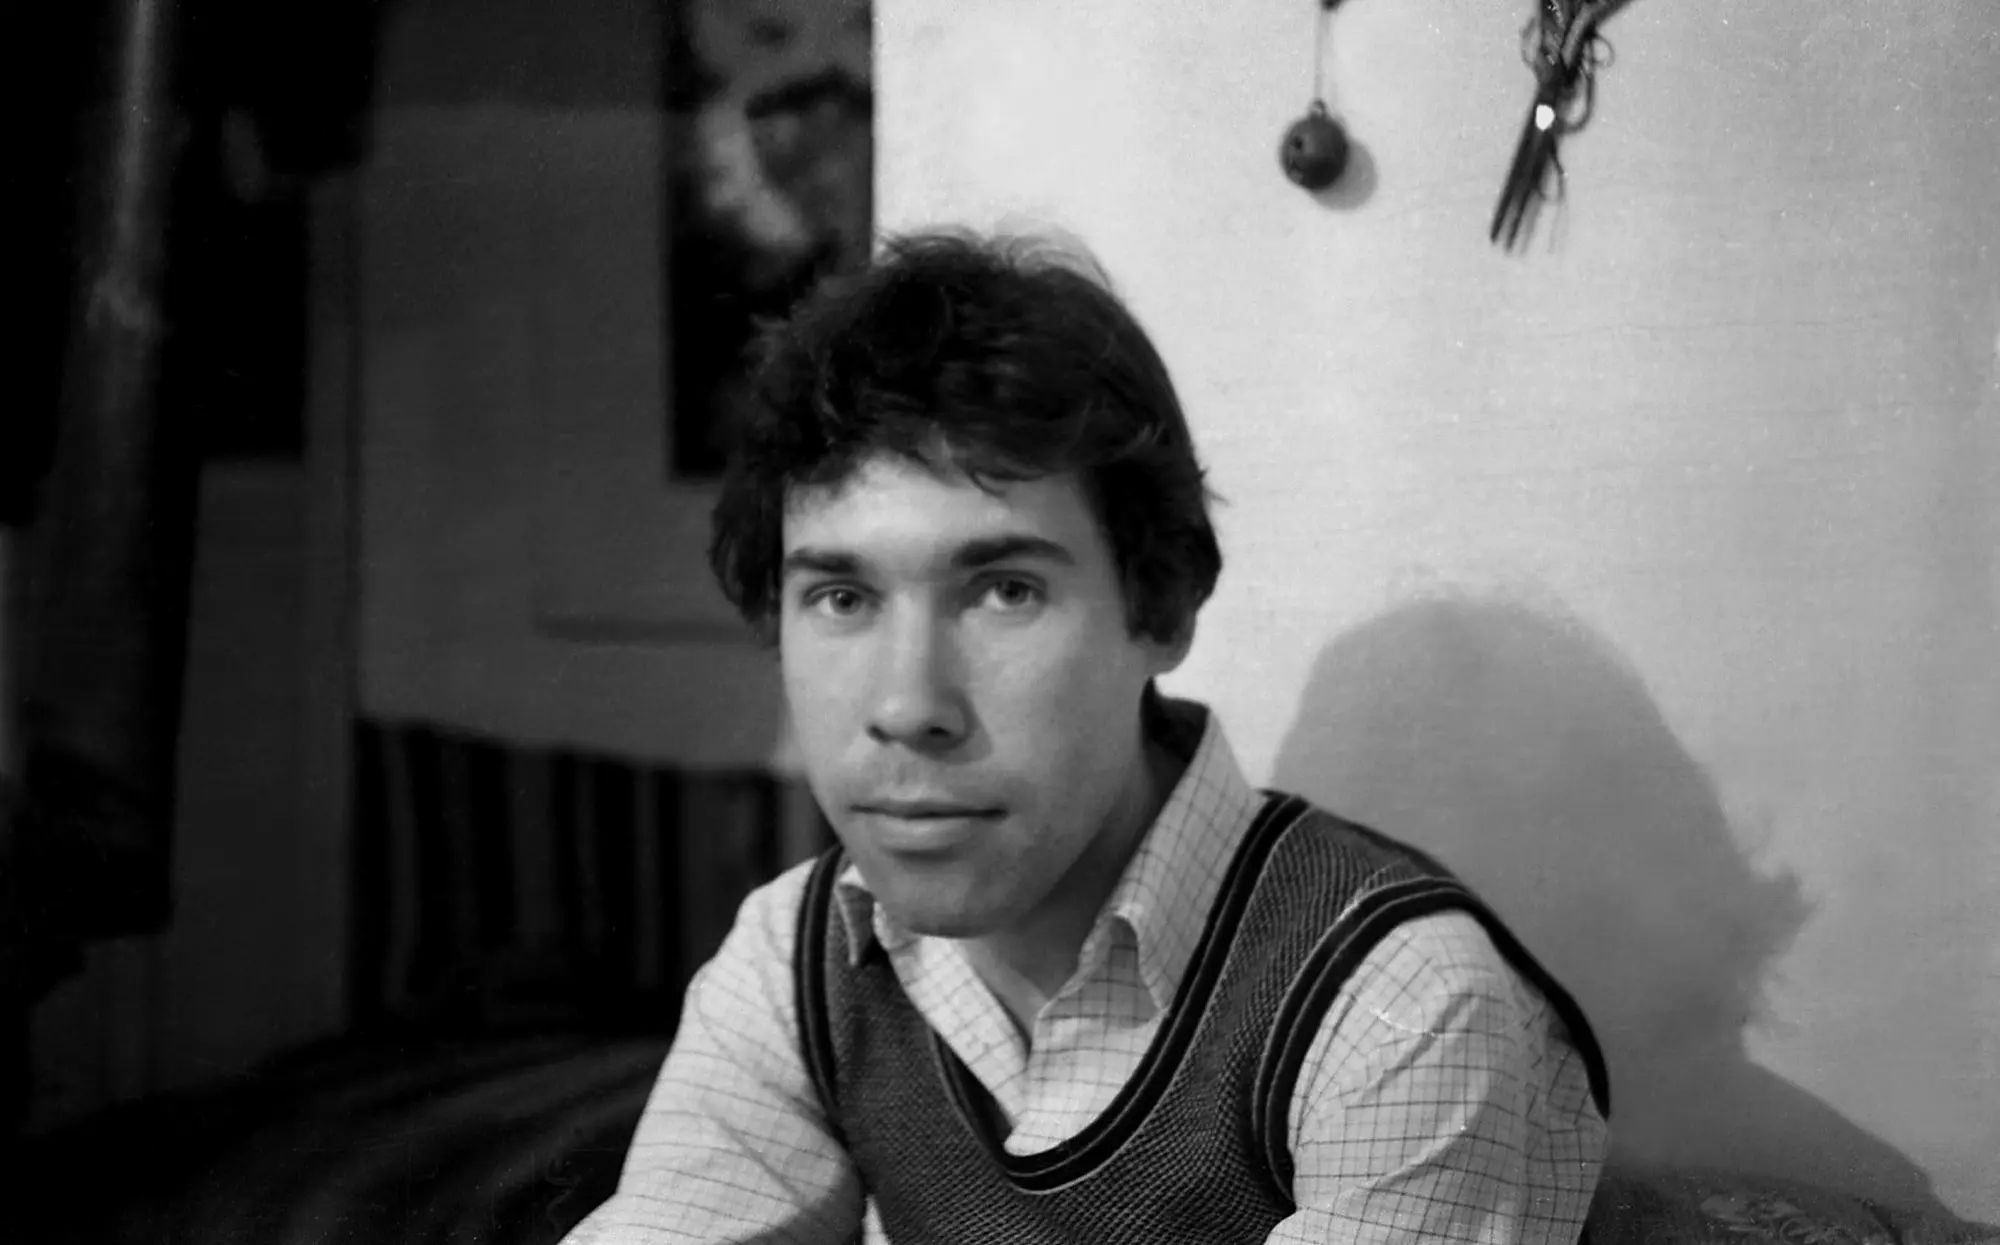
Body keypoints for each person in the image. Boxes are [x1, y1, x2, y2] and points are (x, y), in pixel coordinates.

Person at [562, 229, 1609, 1244]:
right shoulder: (796, 957)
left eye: (1004, 590)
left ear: (1156, 607)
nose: (905, 703)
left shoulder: (1395, 1005)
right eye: (841, 596)